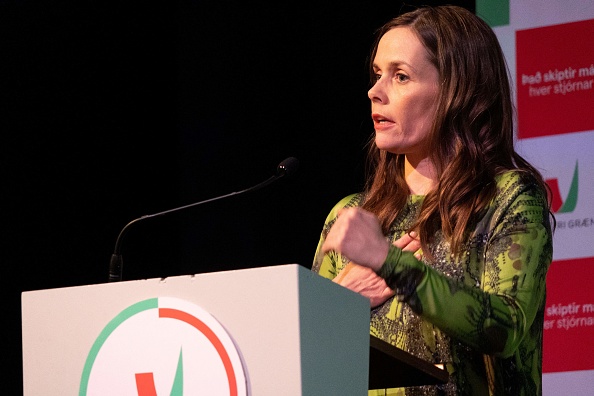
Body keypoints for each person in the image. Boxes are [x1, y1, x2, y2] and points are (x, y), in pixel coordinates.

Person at [312, 5, 554, 396]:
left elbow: (503, 330)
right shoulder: (352, 215)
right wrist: (337, 305)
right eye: (377, 75)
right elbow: (311, 363)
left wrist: (390, 263)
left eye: (401, 76)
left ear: (456, 92)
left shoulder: (508, 197)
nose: (374, 91)